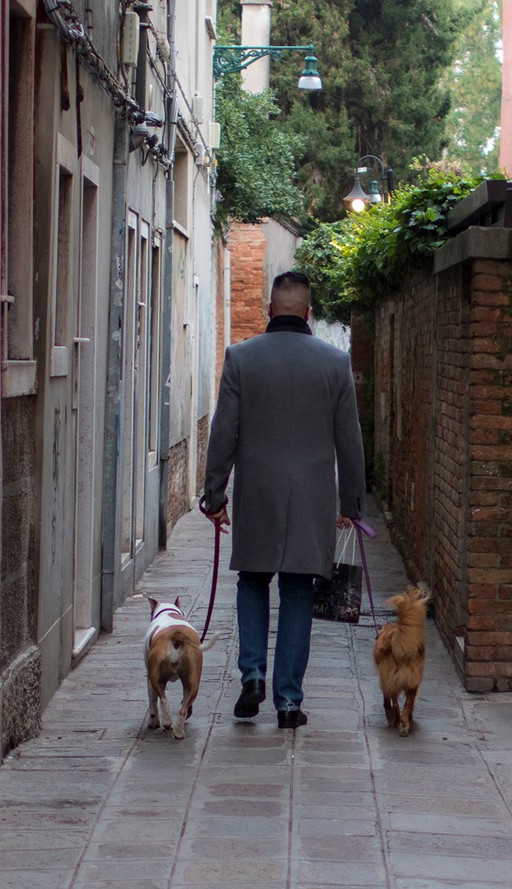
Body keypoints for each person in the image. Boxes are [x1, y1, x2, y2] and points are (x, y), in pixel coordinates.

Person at [199, 270, 365, 729]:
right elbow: (350, 441)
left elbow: (223, 433)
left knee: (252, 582)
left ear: (268, 310)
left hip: (258, 494)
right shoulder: (335, 363)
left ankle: (252, 673)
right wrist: (351, 502)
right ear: (309, 313)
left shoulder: (240, 358)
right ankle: (288, 702)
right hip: (312, 499)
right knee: (296, 591)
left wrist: (214, 494)